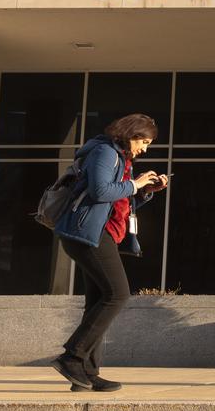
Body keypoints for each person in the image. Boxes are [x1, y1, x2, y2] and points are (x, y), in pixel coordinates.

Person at [50, 114, 169, 392]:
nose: (145, 148)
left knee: (97, 302)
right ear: (129, 134)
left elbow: (118, 199)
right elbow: (100, 190)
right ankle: (72, 357)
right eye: (144, 141)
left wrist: (145, 190)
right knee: (118, 294)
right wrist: (135, 184)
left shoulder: (122, 159)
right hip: (88, 235)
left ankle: (86, 375)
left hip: (101, 234)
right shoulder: (104, 151)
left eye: (148, 143)